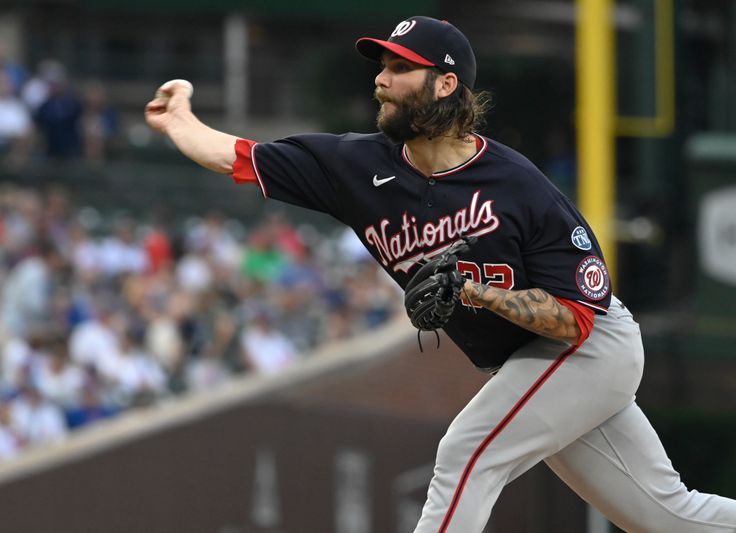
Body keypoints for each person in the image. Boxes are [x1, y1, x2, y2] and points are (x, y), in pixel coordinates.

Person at [145, 15, 736, 533]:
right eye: (381, 65)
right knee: (668, 518)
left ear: (445, 84)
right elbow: (238, 156)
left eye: (400, 67)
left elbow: (576, 319)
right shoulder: (353, 164)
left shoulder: (518, 185)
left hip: (589, 349)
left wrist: (476, 292)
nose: (381, 79)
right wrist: (179, 121)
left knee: (466, 452)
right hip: (529, 363)